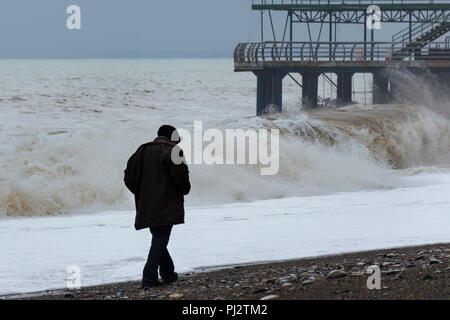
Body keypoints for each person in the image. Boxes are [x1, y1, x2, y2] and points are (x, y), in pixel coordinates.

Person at [124, 125, 190, 289]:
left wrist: (140, 193)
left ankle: (168, 273)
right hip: (166, 203)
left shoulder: (141, 151)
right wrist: (183, 190)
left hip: (146, 203)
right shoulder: (174, 151)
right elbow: (181, 178)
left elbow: (128, 177)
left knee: (159, 239)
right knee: (160, 239)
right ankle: (149, 278)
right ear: (173, 137)